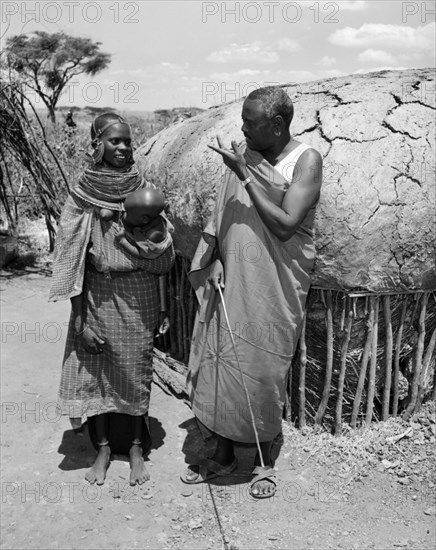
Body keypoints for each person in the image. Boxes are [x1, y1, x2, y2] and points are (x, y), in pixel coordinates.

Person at [181, 87, 322, 499]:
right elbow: (224, 214)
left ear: (276, 125)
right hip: (234, 278)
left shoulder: (306, 160)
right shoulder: (246, 154)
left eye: (250, 121)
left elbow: (285, 225)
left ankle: (264, 459)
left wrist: (244, 171)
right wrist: (217, 258)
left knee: (262, 369)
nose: (241, 127)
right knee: (225, 362)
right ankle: (223, 453)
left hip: (274, 287)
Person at [49, 112, 175, 486]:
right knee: (98, 372)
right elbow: (71, 257)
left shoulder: (145, 188)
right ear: (97, 143)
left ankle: (135, 447)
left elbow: (163, 253)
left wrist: (164, 304)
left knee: (135, 371)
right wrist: (79, 319)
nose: (122, 148)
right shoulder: (82, 192)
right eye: (114, 141)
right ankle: (102, 448)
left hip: (138, 293)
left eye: (127, 142)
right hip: (98, 293)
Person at [114, 187, 173, 260]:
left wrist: (123, 241)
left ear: (144, 219)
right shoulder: (150, 213)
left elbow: (142, 253)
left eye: (129, 214)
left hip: (149, 250)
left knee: (142, 254)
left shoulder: (152, 235)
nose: (125, 215)